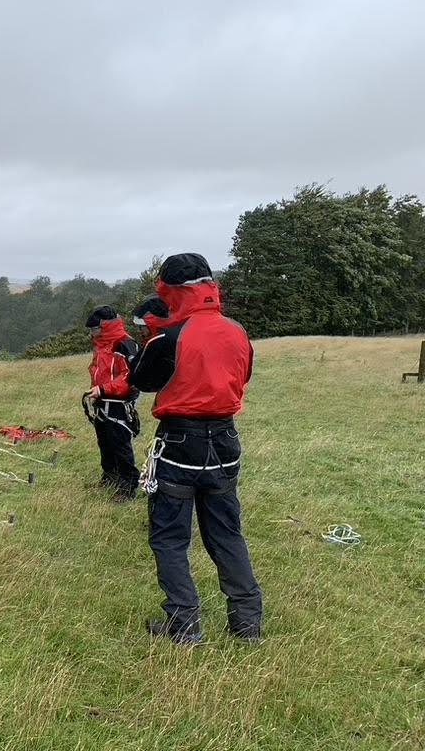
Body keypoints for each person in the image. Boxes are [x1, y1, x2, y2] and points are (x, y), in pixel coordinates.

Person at [130, 253, 262, 644]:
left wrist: (153, 337)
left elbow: (143, 380)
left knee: (170, 537)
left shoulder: (168, 337)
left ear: (171, 291)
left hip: (179, 441)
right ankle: (247, 623)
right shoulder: (238, 330)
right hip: (225, 439)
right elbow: (245, 375)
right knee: (226, 533)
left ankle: (184, 625)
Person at [82, 306, 141, 502]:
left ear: (104, 327)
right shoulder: (101, 345)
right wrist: (97, 390)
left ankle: (128, 487)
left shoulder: (126, 345)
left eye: (94, 330)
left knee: (120, 446)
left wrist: (104, 389)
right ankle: (110, 478)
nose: (92, 334)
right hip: (101, 401)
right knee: (105, 443)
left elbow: (130, 377)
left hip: (118, 404)